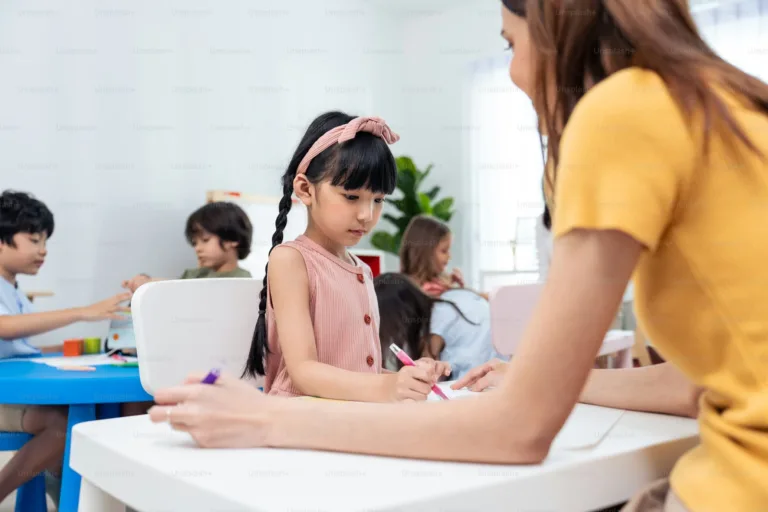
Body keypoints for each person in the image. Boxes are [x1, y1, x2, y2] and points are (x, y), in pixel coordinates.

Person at [149, 1, 768, 510]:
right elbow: (704, 383)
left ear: (556, 31)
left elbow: (517, 432)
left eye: (509, 44)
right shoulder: (733, 104)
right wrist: (538, 383)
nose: (515, 71)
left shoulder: (624, 111)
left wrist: (263, 421)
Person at [240, 112, 449, 401]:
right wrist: (389, 387)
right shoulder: (291, 260)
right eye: (351, 197)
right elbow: (304, 372)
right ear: (305, 189)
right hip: (300, 416)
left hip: (350, 414)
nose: (367, 215)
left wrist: (409, 378)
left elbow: (361, 375)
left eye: (378, 200)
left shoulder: (362, 270)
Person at [0, 190, 130, 505]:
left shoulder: (13, 289)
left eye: (45, 242)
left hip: (14, 392)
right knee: (64, 425)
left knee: (89, 417)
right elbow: (4, 329)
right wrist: (82, 311)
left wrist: (89, 348)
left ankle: (73, 493)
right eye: (34, 240)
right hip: (6, 398)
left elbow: (21, 347)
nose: (43, 251)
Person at [375, 273, 503, 380]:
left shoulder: (435, 325)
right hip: (503, 367)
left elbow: (426, 374)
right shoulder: (450, 299)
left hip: (478, 378)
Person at [122, 201, 253, 293]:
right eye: (195, 243)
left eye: (205, 240)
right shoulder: (192, 274)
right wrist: (147, 281)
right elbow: (172, 287)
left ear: (233, 239)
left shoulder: (243, 281)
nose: (197, 248)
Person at [400, 215, 487, 299]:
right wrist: (457, 291)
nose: (449, 256)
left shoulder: (434, 284)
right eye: (444, 251)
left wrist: (451, 284)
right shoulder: (429, 291)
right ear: (425, 253)